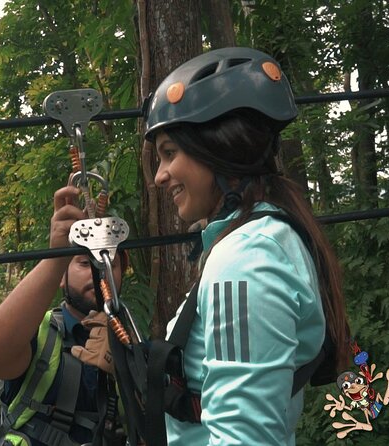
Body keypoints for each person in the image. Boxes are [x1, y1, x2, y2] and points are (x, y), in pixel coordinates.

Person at [143, 47, 350, 445]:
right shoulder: (270, 237)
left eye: (170, 153)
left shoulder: (247, 258)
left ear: (220, 147)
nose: (160, 176)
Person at [0, 185, 126, 446]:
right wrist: (56, 256)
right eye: (83, 262)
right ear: (61, 278)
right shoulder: (41, 335)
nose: (98, 271)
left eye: (110, 263)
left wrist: (126, 367)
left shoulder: (131, 342)